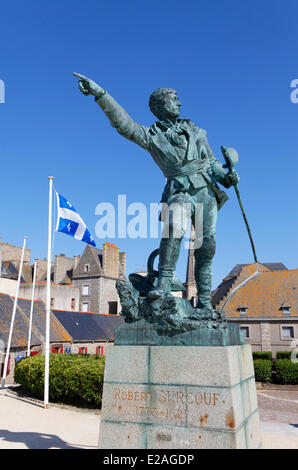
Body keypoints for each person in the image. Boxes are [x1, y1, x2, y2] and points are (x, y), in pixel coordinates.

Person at [76, 77, 239, 312]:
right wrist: (101, 94)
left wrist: (226, 178)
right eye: (175, 100)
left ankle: (204, 301)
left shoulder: (196, 131)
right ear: (161, 106)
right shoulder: (151, 136)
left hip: (205, 191)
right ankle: (163, 282)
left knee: (206, 246)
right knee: (174, 224)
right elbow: (124, 125)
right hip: (178, 189)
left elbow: (212, 161)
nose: (180, 104)